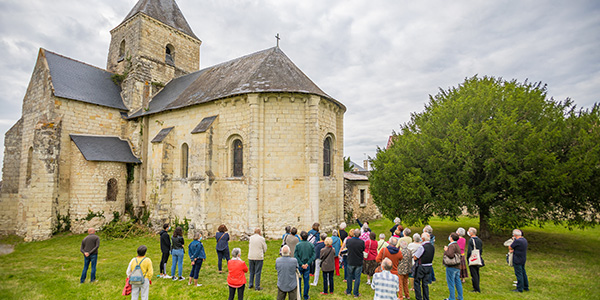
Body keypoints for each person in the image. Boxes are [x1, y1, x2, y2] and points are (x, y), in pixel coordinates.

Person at [295, 231, 316, 300]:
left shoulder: (298, 245)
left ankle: (299, 295)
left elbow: (296, 255)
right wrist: (308, 263)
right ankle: (306, 296)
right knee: (306, 281)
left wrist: (301, 264)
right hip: (307, 265)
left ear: (300, 237)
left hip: (301, 265)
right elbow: (313, 255)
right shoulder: (311, 245)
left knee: (299, 281)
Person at [413, 232, 434, 300]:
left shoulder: (422, 247)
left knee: (417, 282)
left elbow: (416, 257)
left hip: (421, 266)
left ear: (423, 239)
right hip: (429, 266)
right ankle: (426, 298)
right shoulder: (432, 246)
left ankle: (419, 297)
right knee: (425, 284)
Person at [345, 229, 365, 297]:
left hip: (351, 260)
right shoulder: (361, 242)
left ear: (354, 234)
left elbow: (347, 247)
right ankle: (355, 293)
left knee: (349, 276)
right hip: (358, 261)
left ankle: (349, 291)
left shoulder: (349, 241)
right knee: (357, 278)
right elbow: (363, 249)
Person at [443, 233, 463, 300]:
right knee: (458, 282)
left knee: (451, 282)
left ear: (451, 238)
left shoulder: (452, 246)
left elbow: (450, 255)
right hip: (457, 266)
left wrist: (446, 250)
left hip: (451, 266)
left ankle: (451, 298)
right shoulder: (457, 245)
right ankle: (460, 297)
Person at [466, 227, 483, 293]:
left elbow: (470, 251)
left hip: (473, 258)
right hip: (478, 257)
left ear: (471, 233)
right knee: (477, 272)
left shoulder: (471, 240)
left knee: (474, 274)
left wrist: (468, 258)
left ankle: (476, 288)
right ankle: (477, 285)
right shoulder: (479, 240)